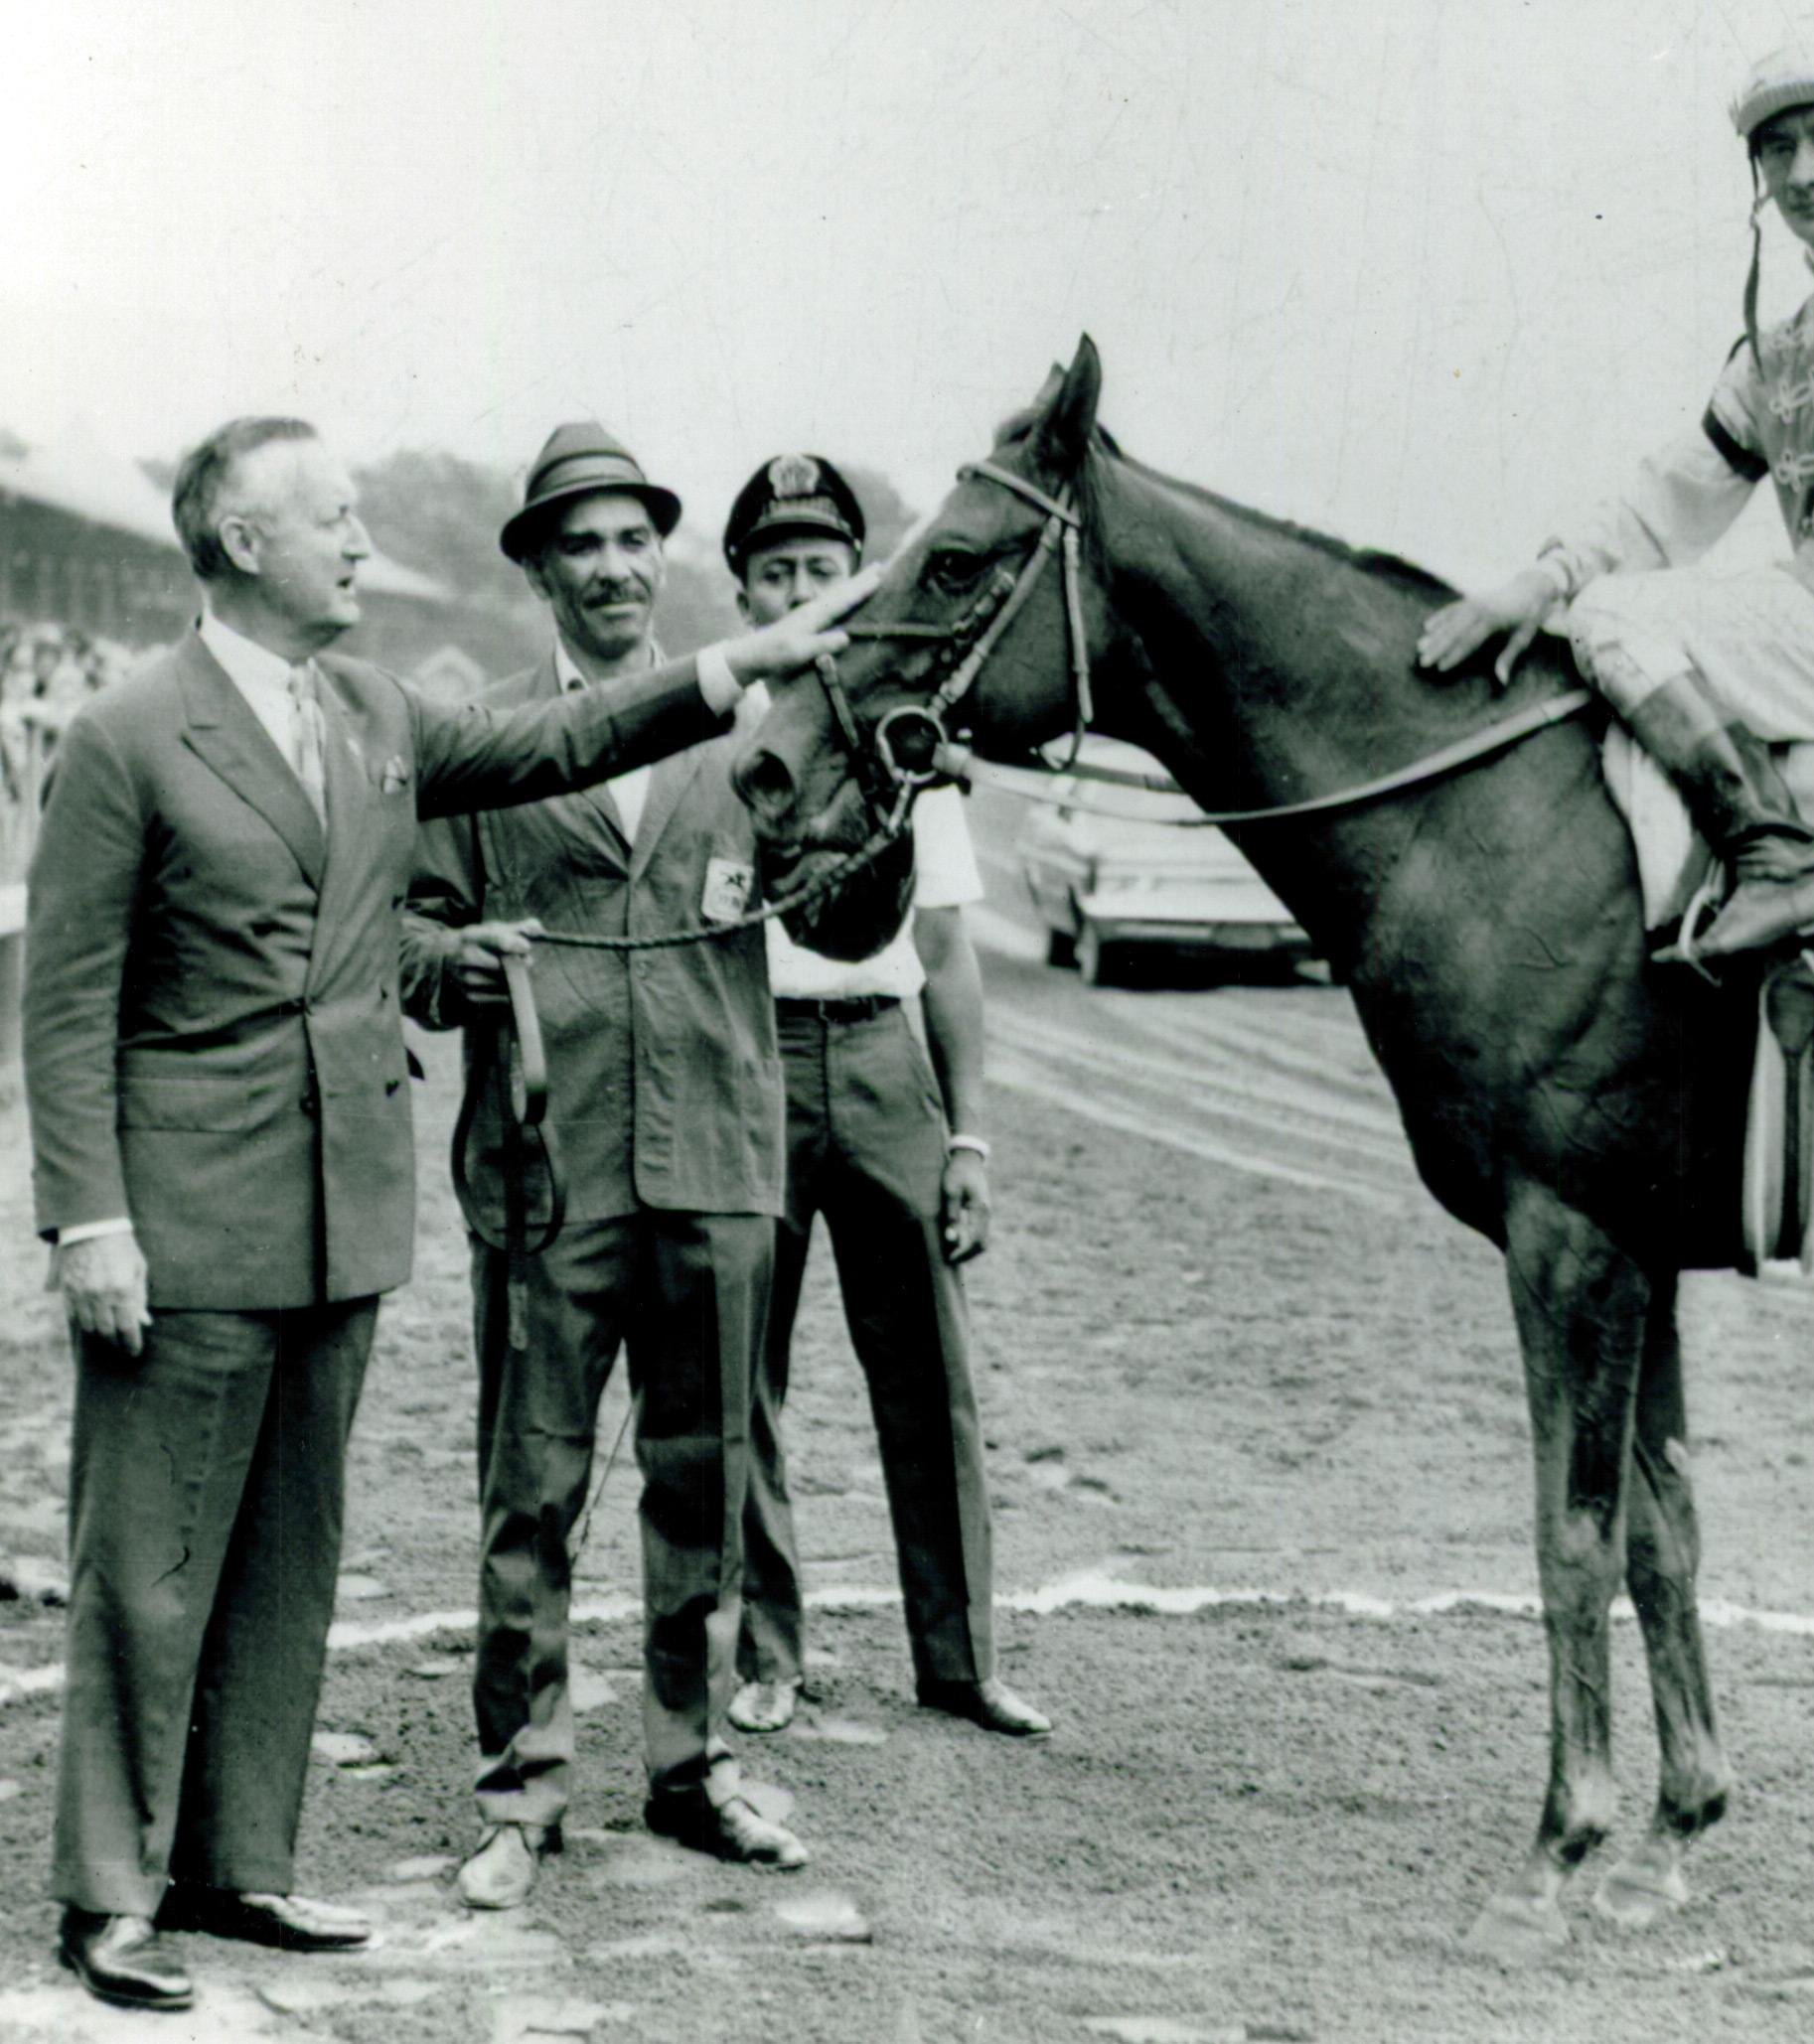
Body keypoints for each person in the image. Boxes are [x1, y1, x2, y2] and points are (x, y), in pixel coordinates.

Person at [20, 415, 866, 2015]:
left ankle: (238, 1865)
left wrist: (744, 658)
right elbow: (65, 1009)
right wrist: (89, 1221)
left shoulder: (375, 714)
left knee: (287, 1557)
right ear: (245, 542)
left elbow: (565, 741)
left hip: (342, 1219)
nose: (360, 541)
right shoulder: (132, 731)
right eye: (333, 519)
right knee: (145, 1564)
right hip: (184, 1218)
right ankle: (112, 1893)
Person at [400, 424, 873, 1909]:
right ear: (538, 567)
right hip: (544, 1175)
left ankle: (689, 1769)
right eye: (579, 544)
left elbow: (845, 917)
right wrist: (459, 965)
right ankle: (519, 1790)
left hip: (720, 1160)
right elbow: (401, 946)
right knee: (529, 1492)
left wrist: (895, 806)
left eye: (630, 539)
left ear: (661, 555)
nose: (610, 566)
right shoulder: (477, 741)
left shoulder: (759, 729)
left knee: (705, 1483)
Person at [1416, 45, 1814, 962]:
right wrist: (1536, 580)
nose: (1803, 171)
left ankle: (1781, 865)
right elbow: (1669, 500)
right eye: (1778, 148)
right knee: (1598, 600)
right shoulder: (1782, 346)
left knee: (1611, 620)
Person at [713, 455, 1050, 1744]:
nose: (802, 589)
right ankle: (767, 1653)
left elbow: (950, 953)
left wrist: (967, 1132)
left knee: (929, 1369)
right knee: (743, 1367)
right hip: (748, 1053)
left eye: (822, 568)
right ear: (742, 586)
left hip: (878, 1054)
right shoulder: (717, 731)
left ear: (860, 582)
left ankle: (958, 1658)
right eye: (776, 570)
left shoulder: (909, 737)